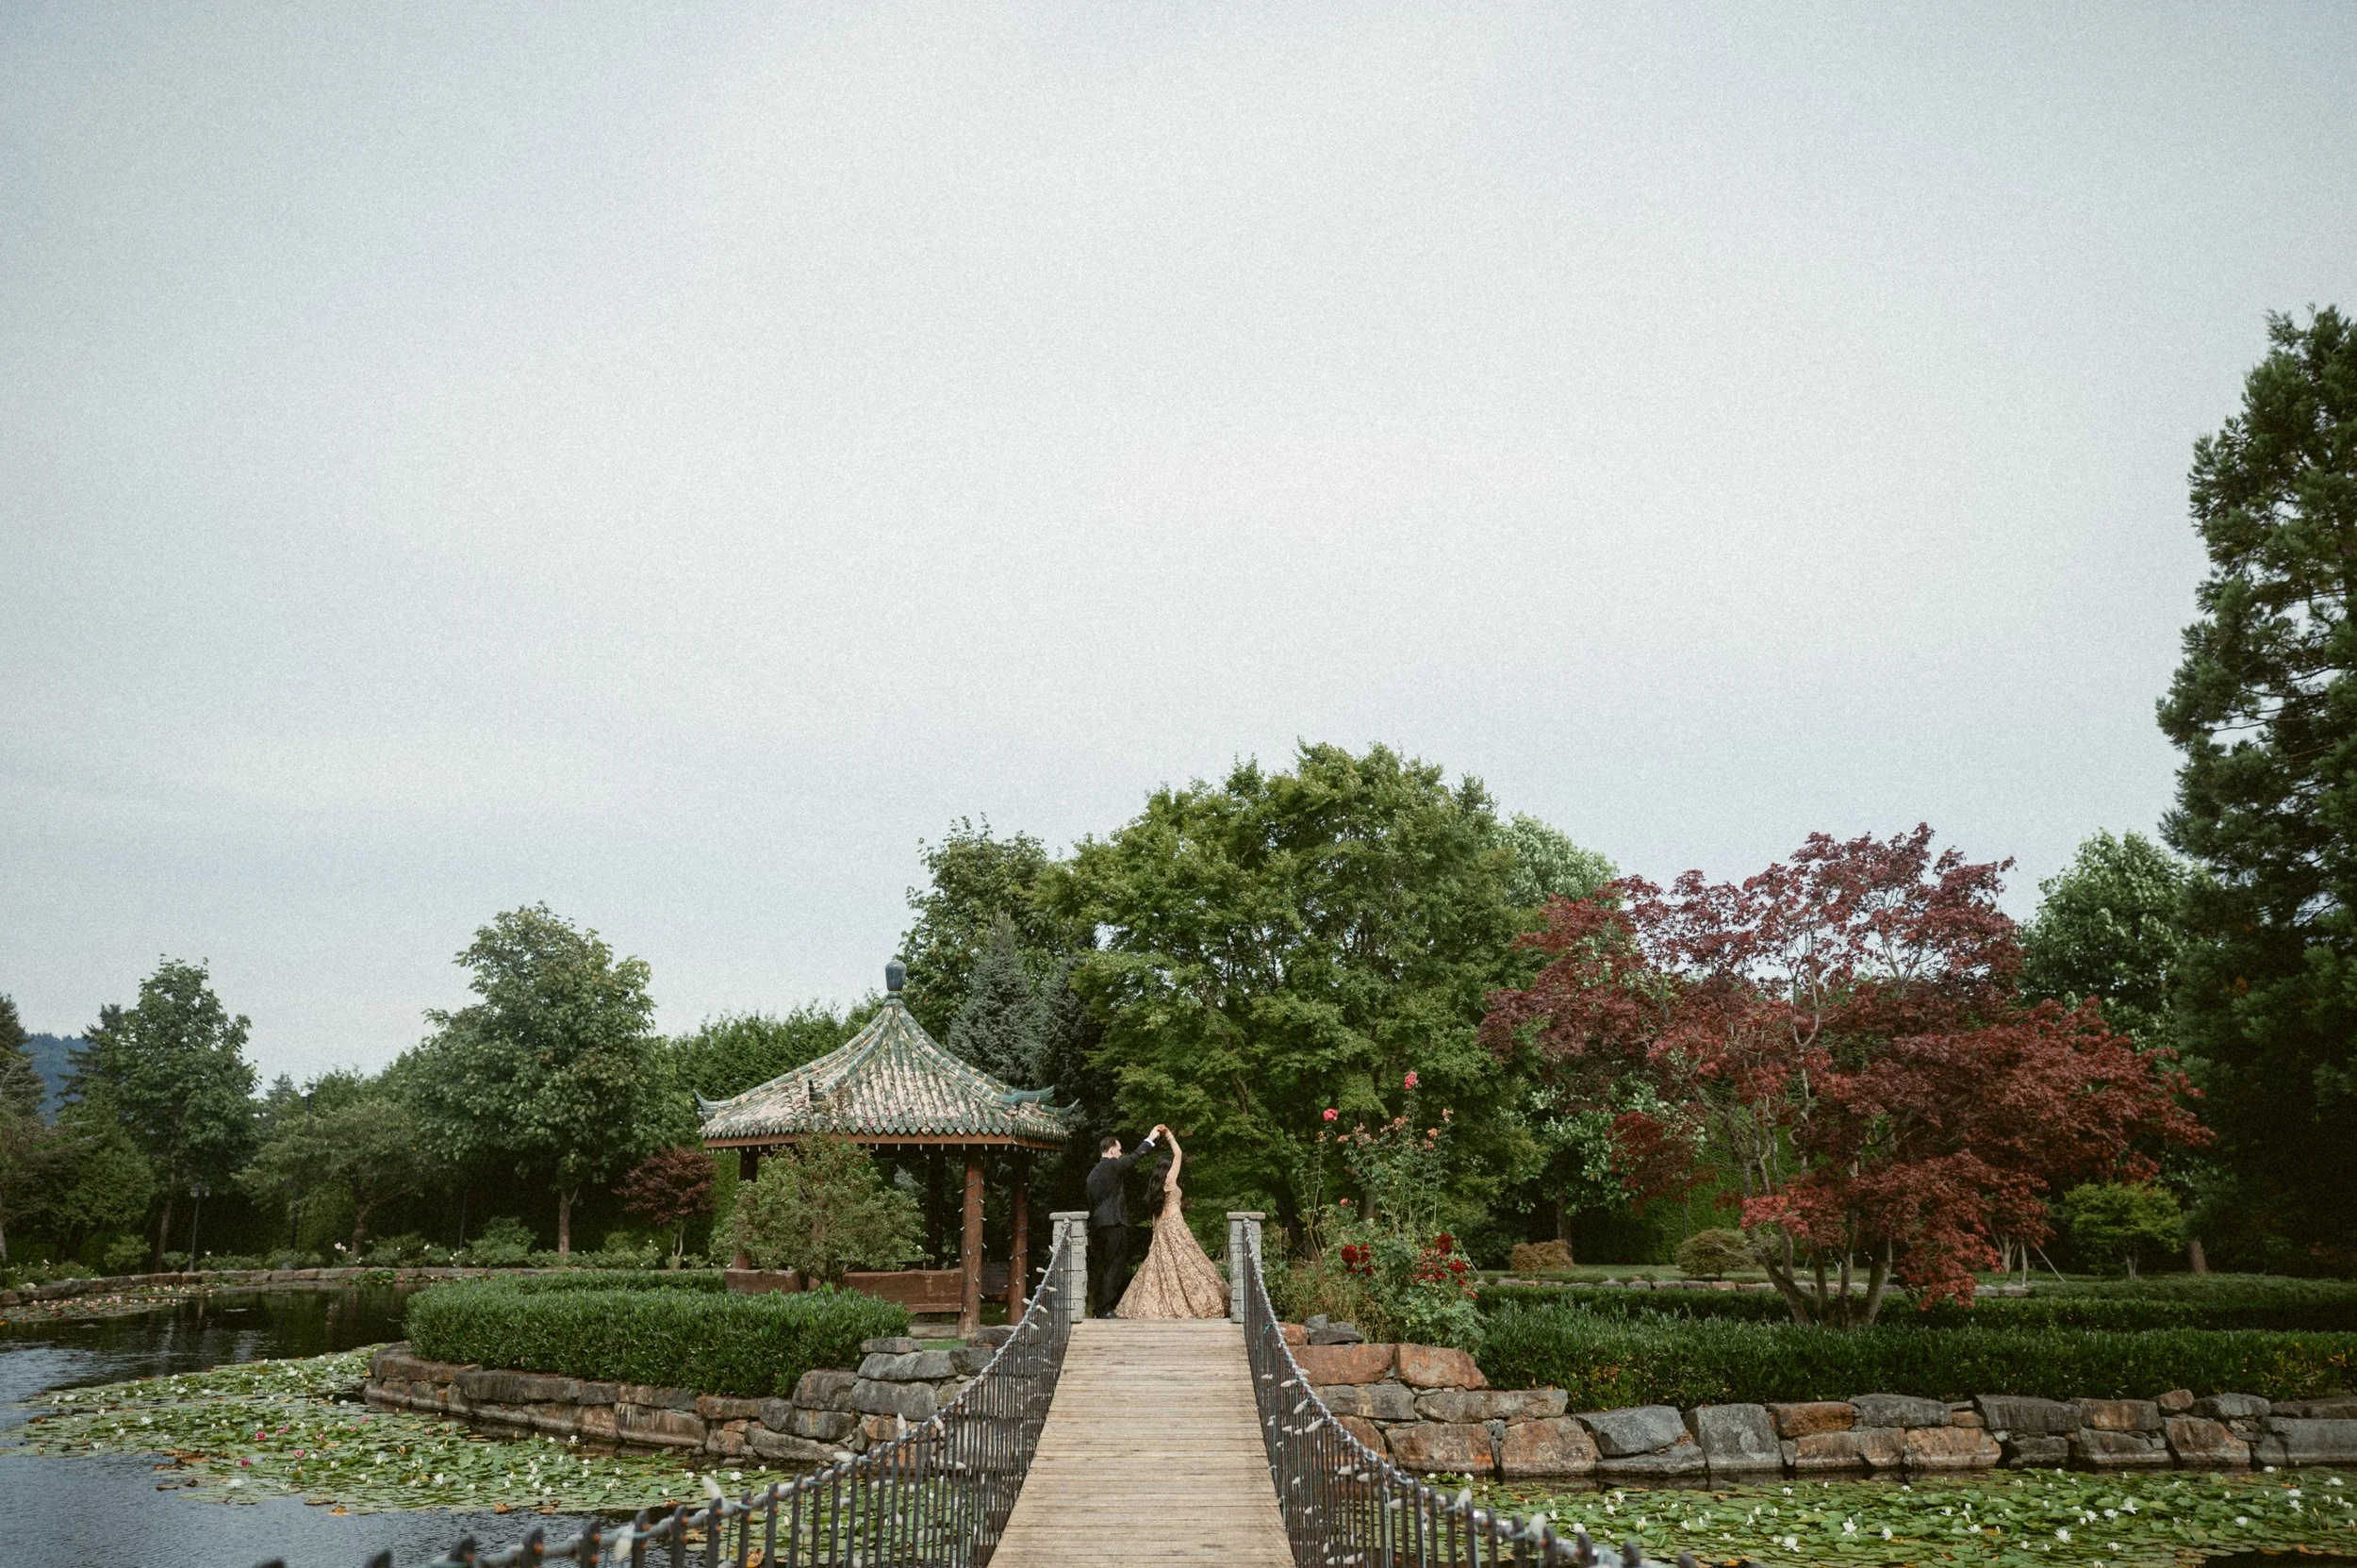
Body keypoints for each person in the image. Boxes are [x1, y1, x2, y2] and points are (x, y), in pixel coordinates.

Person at [1114, 1127, 1228, 1319]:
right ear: (1169, 1169)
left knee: (1162, 1266)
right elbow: (1179, 1153)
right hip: (1175, 1224)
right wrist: (1167, 1134)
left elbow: (1155, 1215)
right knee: (1189, 1262)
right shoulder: (1170, 1180)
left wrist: (1154, 1235)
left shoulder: (1157, 1186)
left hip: (1161, 1227)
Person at [1084, 1126, 1162, 1317]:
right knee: (1115, 1266)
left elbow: (1092, 1202)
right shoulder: (1112, 1165)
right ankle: (1106, 1309)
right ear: (1111, 1151)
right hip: (1114, 1223)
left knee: (1102, 1266)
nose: (1120, 1154)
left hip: (1099, 1225)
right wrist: (1151, 1138)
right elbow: (1135, 1157)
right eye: (1119, 1150)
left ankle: (1098, 1308)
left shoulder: (1092, 1175)